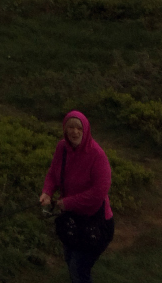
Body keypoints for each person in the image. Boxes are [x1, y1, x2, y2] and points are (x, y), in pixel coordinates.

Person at [45, 110, 114, 283]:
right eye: (70, 127)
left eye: (78, 128)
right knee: (70, 261)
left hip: (96, 222)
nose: (74, 132)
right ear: (65, 129)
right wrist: (47, 192)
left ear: (86, 130)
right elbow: (53, 173)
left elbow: (99, 192)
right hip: (72, 219)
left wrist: (67, 203)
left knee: (78, 268)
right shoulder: (62, 148)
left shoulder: (97, 156)